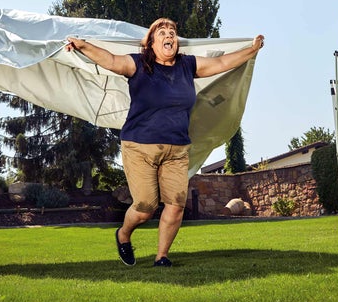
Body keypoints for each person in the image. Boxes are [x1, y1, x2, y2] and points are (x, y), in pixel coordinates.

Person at [66, 18, 264, 267]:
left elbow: (222, 63)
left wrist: (252, 49)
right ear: (150, 43)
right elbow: (111, 60)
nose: (169, 35)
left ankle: (162, 257)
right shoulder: (138, 64)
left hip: (177, 150)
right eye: (162, 32)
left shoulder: (186, 65)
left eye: (173, 31)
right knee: (145, 207)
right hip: (139, 147)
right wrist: (83, 46)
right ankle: (123, 234)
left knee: (175, 205)